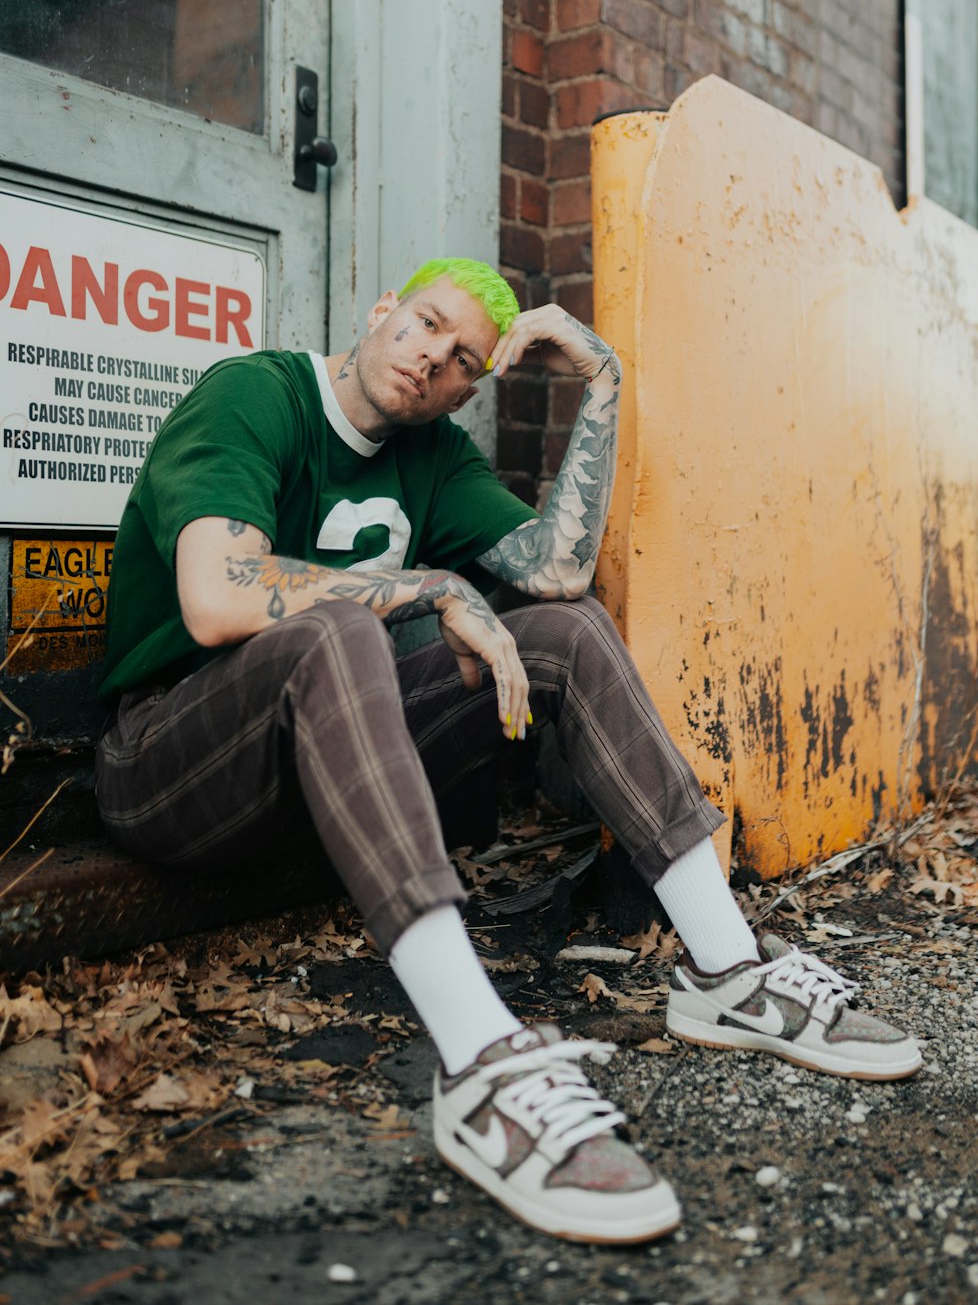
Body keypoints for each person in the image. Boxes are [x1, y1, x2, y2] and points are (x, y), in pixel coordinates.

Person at [96, 257, 921, 1245]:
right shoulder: (258, 393)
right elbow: (219, 593)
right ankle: (480, 1051)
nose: (429, 361)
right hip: (167, 758)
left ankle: (726, 967)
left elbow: (560, 569)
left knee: (562, 633)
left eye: (459, 364)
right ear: (381, 310)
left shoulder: (433, 456)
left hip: (315, 772)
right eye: (423, 327)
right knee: (337, 628)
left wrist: (602, 380)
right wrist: (431, 588)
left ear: (467, 389)